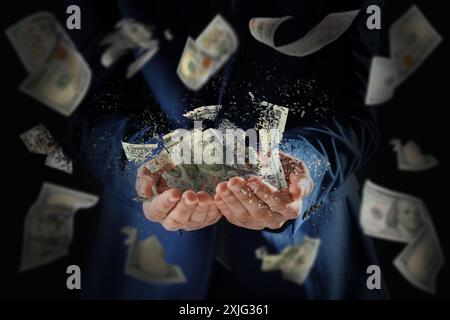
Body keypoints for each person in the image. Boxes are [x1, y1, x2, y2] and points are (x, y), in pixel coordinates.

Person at [67, 0, 389, 299]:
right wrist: (148, 167)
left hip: (311, 264)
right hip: (147, 266)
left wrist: (307, 166)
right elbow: (88, 107)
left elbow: (357, 107)